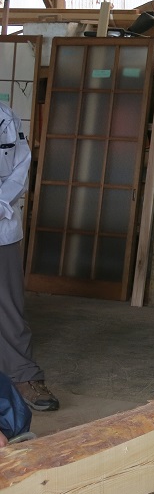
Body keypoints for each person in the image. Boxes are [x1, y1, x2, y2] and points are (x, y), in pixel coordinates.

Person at [0, 101, 59, 411]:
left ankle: (24, 377)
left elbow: (20, 168)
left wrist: (0, 205)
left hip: (1, 226)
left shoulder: (5, 116)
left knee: (8, 308)